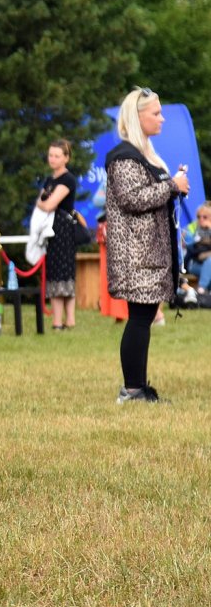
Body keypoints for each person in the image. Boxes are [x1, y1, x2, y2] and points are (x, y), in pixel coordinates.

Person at [105, 88, 188, 404]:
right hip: (135, 254)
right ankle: (133, 390)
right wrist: (171, 186)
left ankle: (137, 387)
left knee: (144, 316)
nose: (162, 118)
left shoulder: (144, 154)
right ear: (137, 118)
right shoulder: (124, 156)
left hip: (148, 252)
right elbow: (131, 199)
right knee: (140, 318)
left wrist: (172, 186)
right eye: (156, 113)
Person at [36, 139, 80, 330]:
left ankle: (69, 320)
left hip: (64, 229)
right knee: (54, 272)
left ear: (66, 158)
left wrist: (45, 204)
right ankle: (56, 321)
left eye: (57, 155)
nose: (52, 159)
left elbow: (49, 203)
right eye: (50, 155)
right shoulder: (49, 180)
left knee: (66, 273)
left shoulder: (68, 179)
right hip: (51, 230)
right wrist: (44, 203)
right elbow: (40, 202)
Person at [184, 203, 211, 293]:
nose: (201, 219)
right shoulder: (193, 227)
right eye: (198, 217)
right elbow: (189, 246)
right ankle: (201, 289)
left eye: (205, 217)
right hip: (194, 264)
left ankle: (202, 291)